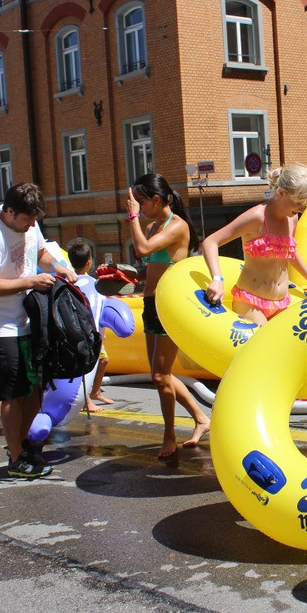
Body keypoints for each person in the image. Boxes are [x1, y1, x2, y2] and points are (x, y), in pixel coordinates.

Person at [0, 183, 76, 479]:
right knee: (12, 395)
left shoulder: (30, 225)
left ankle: (26, 446)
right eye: (27, 220)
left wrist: (59, 266)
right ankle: (16, 459)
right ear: (9, 211)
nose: (31, 225)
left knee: (33, 389)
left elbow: (41, 252)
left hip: (27, 321)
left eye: (35, 220)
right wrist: (31, 281)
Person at [126, 172, 210, 458]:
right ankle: (200, 417)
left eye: (141, 201)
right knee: (159, 374)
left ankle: (170, 435)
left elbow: (143, 249)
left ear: (156, 199)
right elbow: (145, 260)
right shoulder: (154, 226)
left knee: (161, 376)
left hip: (169, 306)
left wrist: (132, 218)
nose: (138, 206)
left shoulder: (177, 226)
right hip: (151, 303)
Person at [201, 165, 307, 324]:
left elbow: (291, 253)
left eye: (305, 204)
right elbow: (211, 241)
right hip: (251, 303)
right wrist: (217, 278)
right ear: (281, 193)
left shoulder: (291, 218)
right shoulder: (257, 217)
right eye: (299, 202)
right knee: (266, 346)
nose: (302, 208)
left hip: (282, 302)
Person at [67, 243, 112, 413]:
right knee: (85, 366)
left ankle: (95, 392)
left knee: (103, 360)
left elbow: (101, 308)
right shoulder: (78, 283)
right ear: (89, 261)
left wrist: (103, 332)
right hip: (86, 333)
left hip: (93, 333)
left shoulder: (93, 283)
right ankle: (86, 400)